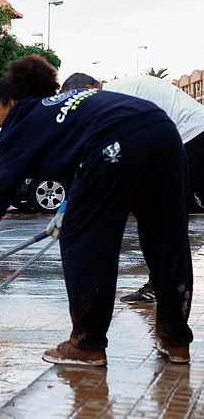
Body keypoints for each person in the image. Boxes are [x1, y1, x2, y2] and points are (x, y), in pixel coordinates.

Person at [0, 55, 193, 366]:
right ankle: (175, 342)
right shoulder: (64, 107)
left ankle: (87, 345)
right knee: (166, 240)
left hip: (115, 141)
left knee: (86, 243)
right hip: (162, 131)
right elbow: (77, 162)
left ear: (11, 102)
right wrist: (68, 206)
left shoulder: (23, 120)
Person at [61, 73, 204, 305]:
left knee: (162, 217)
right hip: (191, 135)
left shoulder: (113, 97)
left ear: (89, 88)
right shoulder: (118, 92)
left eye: (79, 101)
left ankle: (161, 286)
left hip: (191, 137)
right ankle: (162, 284)